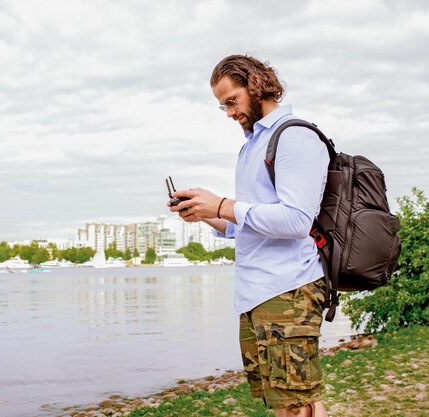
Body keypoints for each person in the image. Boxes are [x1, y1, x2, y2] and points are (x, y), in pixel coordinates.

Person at [168, 55, 330, 417]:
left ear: (255, 85)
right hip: (257, 292)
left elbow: (296, 220)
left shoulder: (295, 136)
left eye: (231, 101)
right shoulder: (253, 145)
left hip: (289, 287)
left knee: (296, 403)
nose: (227, 112)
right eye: (221, 105)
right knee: (286, 402)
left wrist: (223, 204)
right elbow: (253, 222)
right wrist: (207, 214)